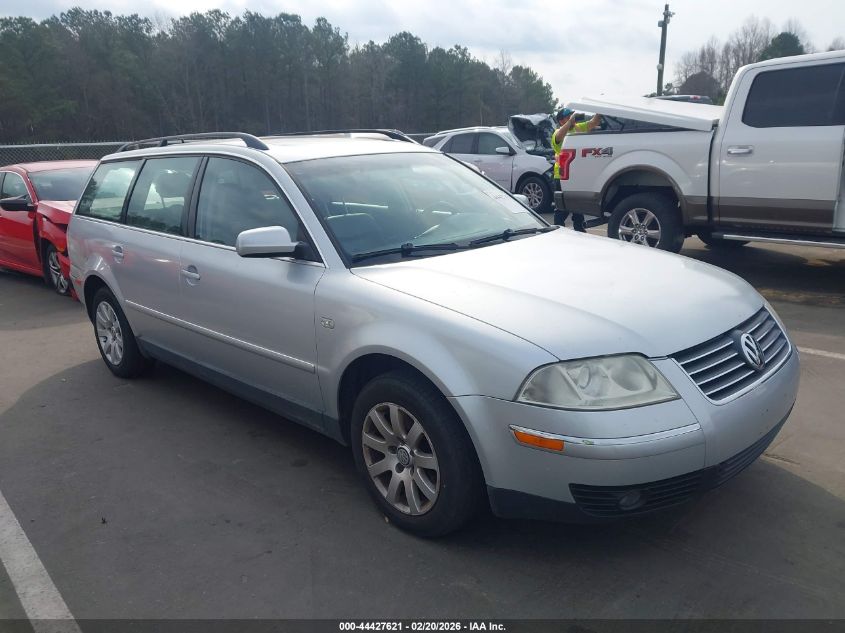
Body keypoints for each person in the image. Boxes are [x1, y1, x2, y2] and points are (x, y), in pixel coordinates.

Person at [551, 107, 602, 232]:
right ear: (561, 120)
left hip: (576, 174)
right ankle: (558, 230)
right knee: (562, 208)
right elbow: (559, 136)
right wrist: (570, 123)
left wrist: (599, 110)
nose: (571, 118)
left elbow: (593, 123)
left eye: (571, 115)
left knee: (577, 205)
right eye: (568, 116)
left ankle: (579, 229)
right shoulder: (558, 132)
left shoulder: (577, 128)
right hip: (562, 175)